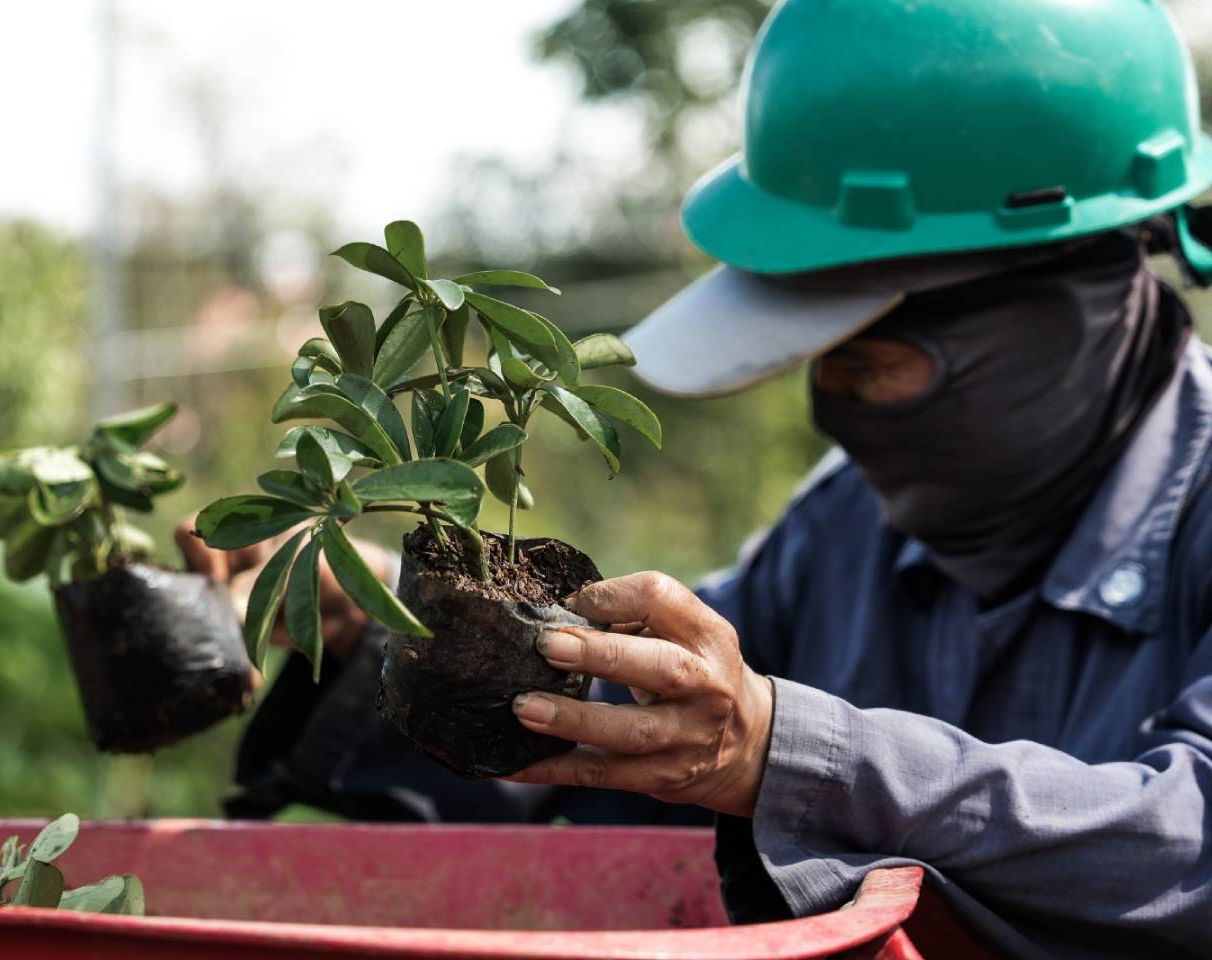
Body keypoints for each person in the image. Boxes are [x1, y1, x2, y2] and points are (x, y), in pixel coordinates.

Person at [180, 1, 1212, 955]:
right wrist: (400, 634)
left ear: (1053, 318)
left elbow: (1190, 844)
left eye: (869, 363)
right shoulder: (846, 532)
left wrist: (793, 753)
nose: (835, 411)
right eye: (820, 361)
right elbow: (639, 740)